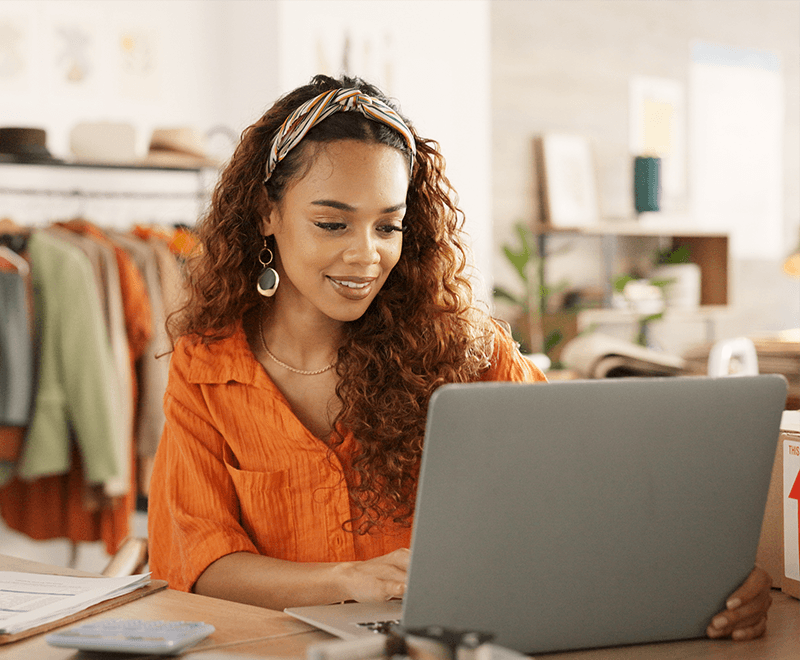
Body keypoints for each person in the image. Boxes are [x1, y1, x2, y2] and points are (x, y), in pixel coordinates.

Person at [147, 74, 771, 641]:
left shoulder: (466, 352)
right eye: (333, 224)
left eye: (388, 226)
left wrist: (711, 577)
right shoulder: (207, 368)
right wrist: (344, 580)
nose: (367, 255)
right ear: (266, 214)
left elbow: (591, 493)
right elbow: (199, 561)